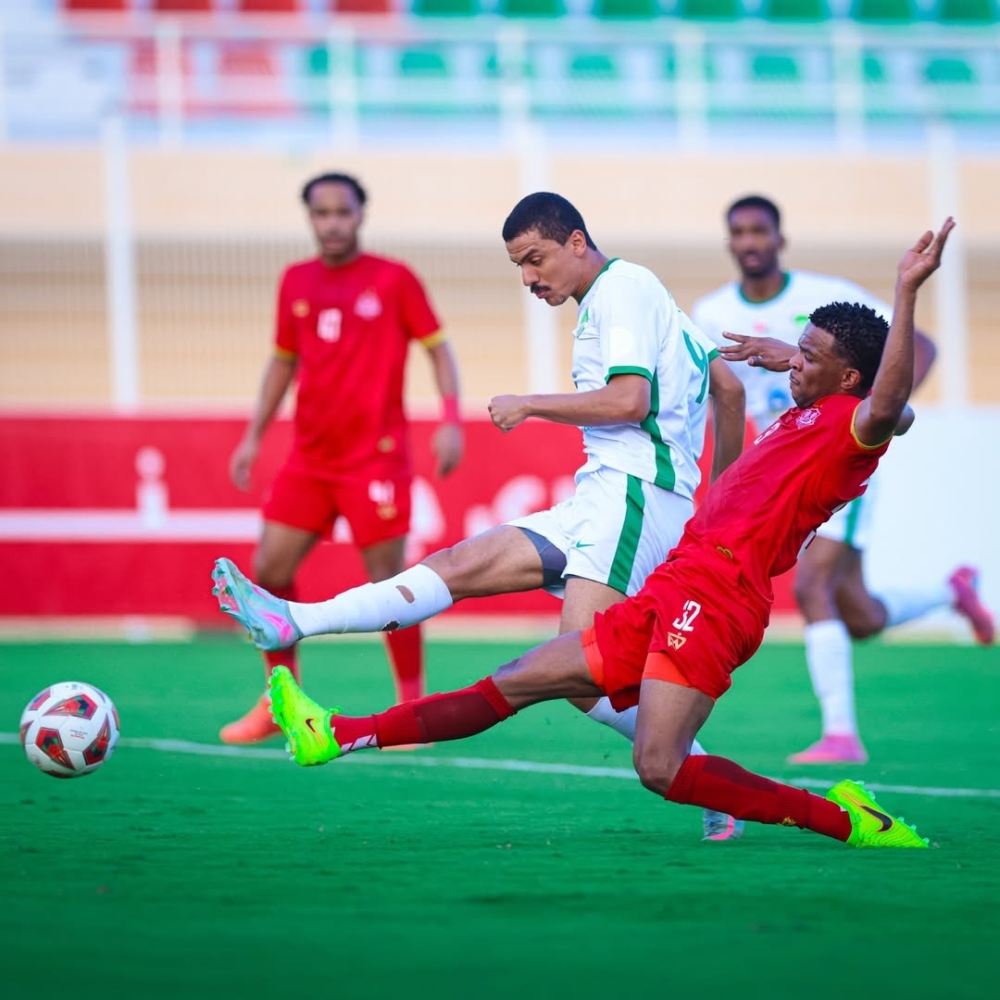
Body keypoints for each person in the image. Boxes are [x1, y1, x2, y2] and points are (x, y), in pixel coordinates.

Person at [264, 219, 957, 850]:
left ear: (850, 377)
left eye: (811, 356)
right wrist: (793, 356)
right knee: (518, 679)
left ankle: (844, 818)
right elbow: (855, 401)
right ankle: (338, 734)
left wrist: (905, 290)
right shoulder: (813, 410)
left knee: (658, 767)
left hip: (719, 600)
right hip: (678, 581)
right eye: (797, 349)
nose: (794, 363)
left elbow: (891, 406)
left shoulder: (850, 429)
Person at [213, 191, 748, 840]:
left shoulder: (622, 290)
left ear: (577, 242)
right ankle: (292, 620)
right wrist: (718, 503)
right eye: (519, 265)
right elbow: (729, 387)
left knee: (579, 671)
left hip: (635, 497)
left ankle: (710, 779)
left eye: (535, 259)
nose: (528, 278)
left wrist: (530, 404)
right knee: (458, 565)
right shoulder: (638, 294)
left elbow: (631, 400)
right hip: (602, 497)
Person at [692, 194, 994, 765]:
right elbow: (724, 401)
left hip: (839, 454)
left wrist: (873, 414)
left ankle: (840, 735)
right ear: (730, 242)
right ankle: (951, 592)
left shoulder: (822, 297)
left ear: (780, 239)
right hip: (784, 467)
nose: (750, 241)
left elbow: (916, 349)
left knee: (812, 587)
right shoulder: (711, 313)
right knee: (859, 614)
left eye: (761, 231)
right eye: (740, 232)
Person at [218, 171, 464, 746]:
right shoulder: (295, 281)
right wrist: (254, 435)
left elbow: (439, 349)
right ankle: (282, 702)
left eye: (342, 212)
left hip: (374, 462)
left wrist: (451, 419)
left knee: (389, 584)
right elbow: (282, 362)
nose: (332, 222)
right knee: (271, 573)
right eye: (321, 213)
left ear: (360, 215)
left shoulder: (394, 279)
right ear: (310, 218)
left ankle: (413, 708)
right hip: (309, 460)